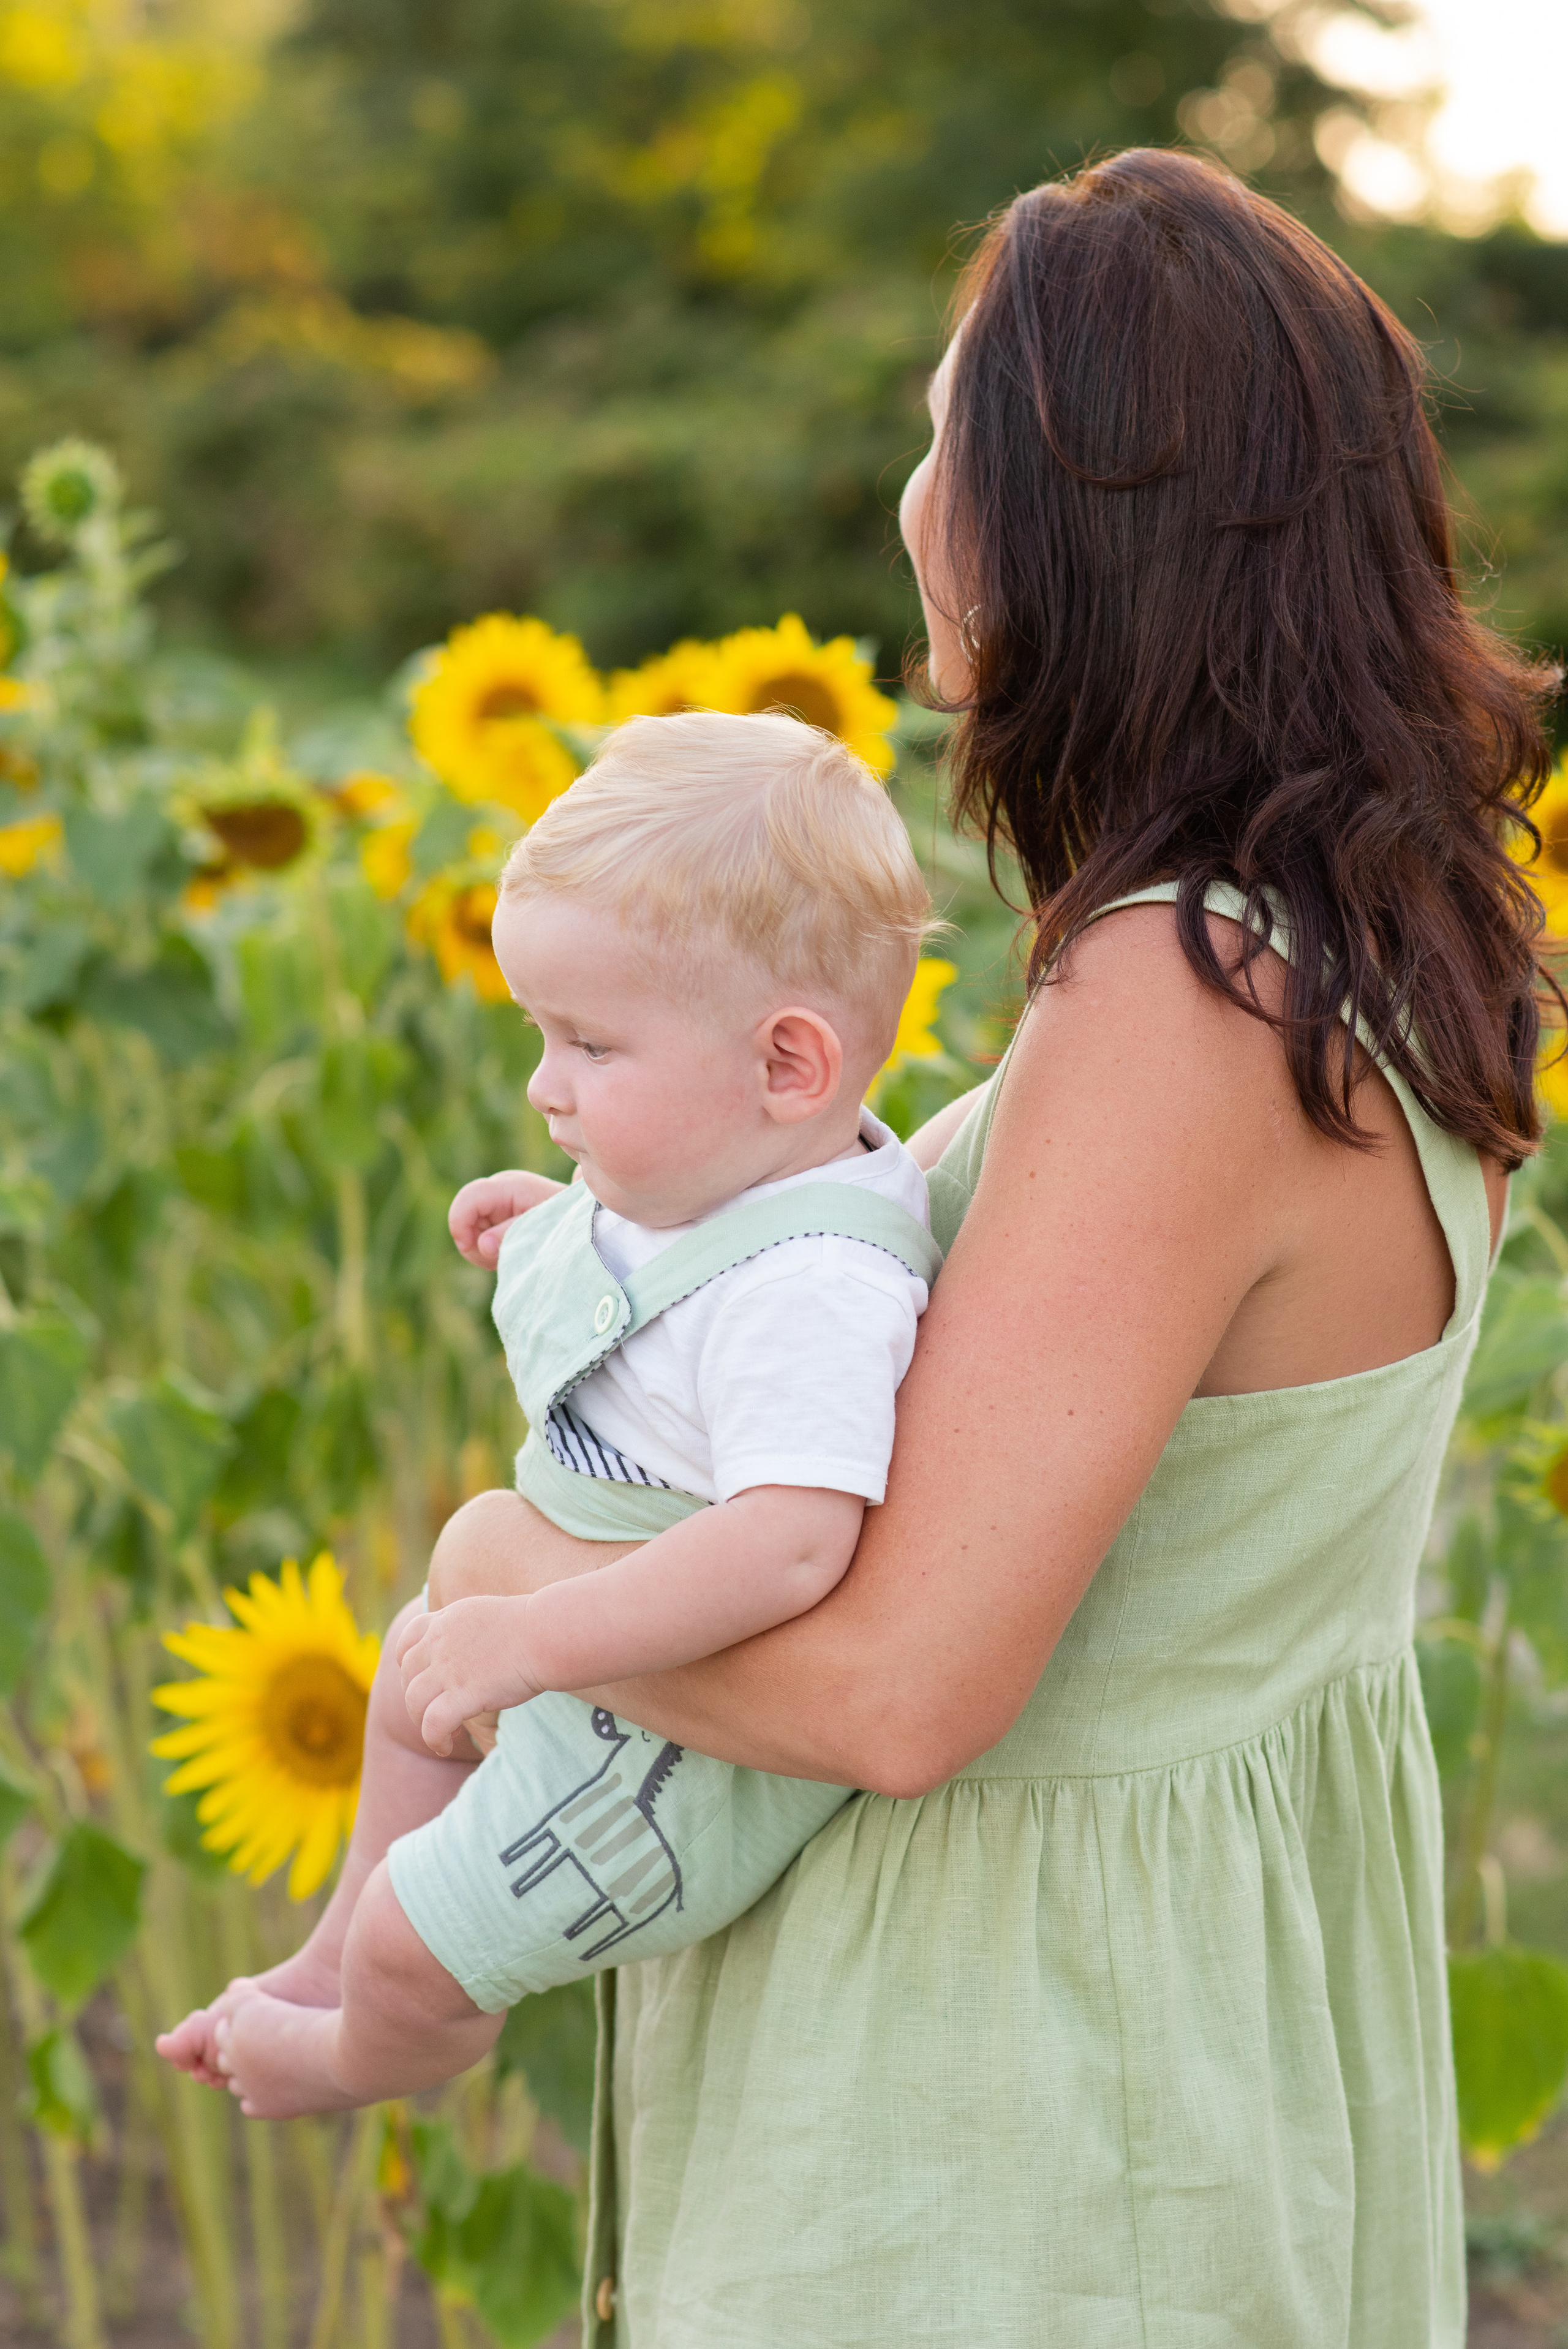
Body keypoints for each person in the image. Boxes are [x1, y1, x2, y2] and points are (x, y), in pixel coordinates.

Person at [194, 143, 1556, 2346]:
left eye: (944, 435)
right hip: (1185, 2051)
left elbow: (903, 1687)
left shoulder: (1185, 997)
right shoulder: (1356, 957)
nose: (913, 496)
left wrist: (498, 1574)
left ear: (1065, 515)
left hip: (1016, 2113)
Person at [155, 707, 944, 2098]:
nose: (544, 1086)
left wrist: (535, 1636)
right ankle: (328, 1957)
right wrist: (561, 1230)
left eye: (588, 1046)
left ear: (785, 1067)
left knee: (427, 1931)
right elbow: (679, 1312)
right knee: (411, 1691)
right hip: (593, 1660)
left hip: (680, 1746)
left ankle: (358, 2046)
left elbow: (787, 1541)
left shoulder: (815, 1287)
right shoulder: (735, 1195)